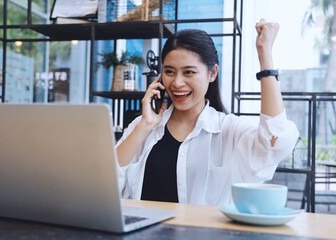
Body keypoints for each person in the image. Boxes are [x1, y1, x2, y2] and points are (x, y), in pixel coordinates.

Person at [115, 19, 300, 206]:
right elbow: (107, 182)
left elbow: (275, 141)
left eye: (188, 72)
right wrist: (144, 126)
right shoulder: (144, 126)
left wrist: (264, 53)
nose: (177, 83)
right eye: (169, 72)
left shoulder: (228, 130)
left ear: (212, 73)